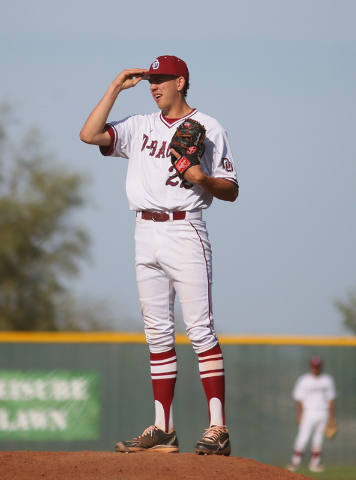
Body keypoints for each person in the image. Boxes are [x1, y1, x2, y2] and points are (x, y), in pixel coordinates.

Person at [80, 55, 239, 455]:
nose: (154, 86)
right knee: (157, 334)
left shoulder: (209, 127)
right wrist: (116, 87)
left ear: (181, 82)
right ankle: (163, 428)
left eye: (162, 79)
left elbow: (232, 188)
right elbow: (88, 134)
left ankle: (217, 428)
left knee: (200, 329)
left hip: (185, 228)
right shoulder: (139, 125)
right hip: (143, 231)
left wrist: (202, 178)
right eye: (152, 80)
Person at [287, 356, 336, 472]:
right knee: (303, 437)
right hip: (308, 412)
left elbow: (331, 399)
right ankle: (295, 462)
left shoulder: (327, 380)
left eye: (317, 366)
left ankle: (315, 464)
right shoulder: (304, 380)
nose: (316, 368)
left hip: (323, 412)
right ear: (310, 366)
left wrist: (332, 417)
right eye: (314, 366)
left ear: (321, 366)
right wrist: (299, 415)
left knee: (318, 439)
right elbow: (299, 399)